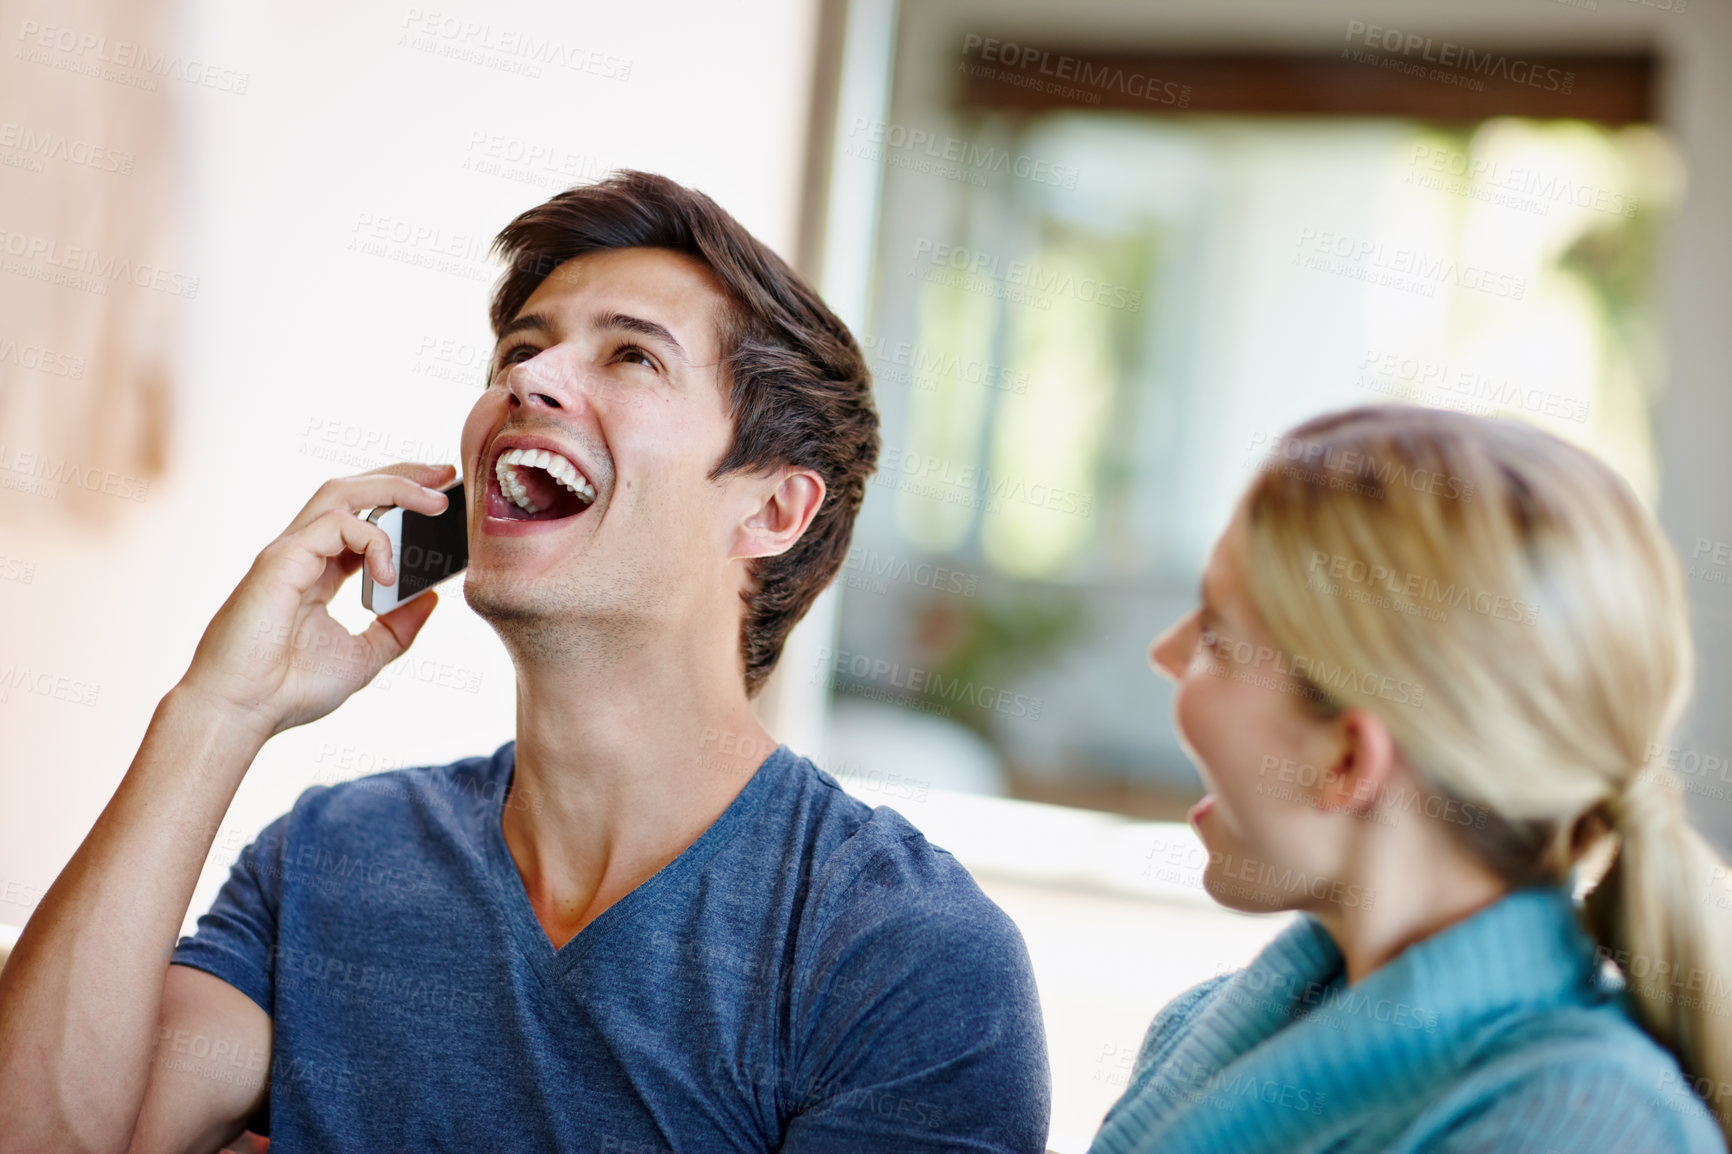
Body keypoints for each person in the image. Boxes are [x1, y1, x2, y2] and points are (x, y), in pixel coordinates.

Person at [0, 171, 1051, 1154]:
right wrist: (218, 709)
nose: (527, 378)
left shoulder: (905, 956)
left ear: (770, 506)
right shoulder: (327, 856)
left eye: (630, 355)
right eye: (518, 351)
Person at [1092, 405, 1732, 1154]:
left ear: (1347, 762)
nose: (1165, 654)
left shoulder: (1581, 1129)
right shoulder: (1195, 1035)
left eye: (1214, 636)